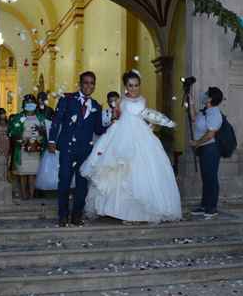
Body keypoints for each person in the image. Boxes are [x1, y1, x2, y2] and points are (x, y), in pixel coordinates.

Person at [80, 70, 181, 223]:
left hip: (141, 136)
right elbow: (116, 117)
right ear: (125, 86)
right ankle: (117, 210)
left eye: (136, 85)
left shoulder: (143, 100)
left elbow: (145, 116)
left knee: (141, 172)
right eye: (130, 85)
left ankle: (138, 212)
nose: (133, 88)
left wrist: (152, 125)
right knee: (119, 170)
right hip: (121, 136)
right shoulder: (120, 101)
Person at [48, 72, 106, 226]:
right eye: (86, 83)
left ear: (94, 85)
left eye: (92, 83)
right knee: (64, 181)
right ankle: (62, 216)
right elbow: (57, 120)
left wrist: (114, 123)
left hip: (86, 150)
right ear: (80, 84)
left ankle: (77, 215)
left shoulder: (96, 106)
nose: (89, 86)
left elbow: (99, 130)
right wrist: (52, 139)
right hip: (67, 147)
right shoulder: (67, 99)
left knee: (82, 185)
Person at [189, 87, 224, 218]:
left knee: (211, 178)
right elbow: (194, 119)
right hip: (204, 148)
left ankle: (212, 207)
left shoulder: (214, 113)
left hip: (211, 148)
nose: (203, 95)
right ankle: (204, 205)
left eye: (206, 94)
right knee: (206, 177)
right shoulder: (206, 111)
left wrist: (196, 143)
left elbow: (210, 134)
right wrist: (191, 102)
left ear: (210, 98)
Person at [8, 95, 49, 200]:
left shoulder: (40, 117)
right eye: (28, 102)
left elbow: (46, 133)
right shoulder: (19, 117)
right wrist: (20, 139)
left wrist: (41, 138)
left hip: (36, 148)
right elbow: (11, 132)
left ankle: (31, 194)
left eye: (32, 102)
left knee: (33, 173)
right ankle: (24, 195)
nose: (30, 104)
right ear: (24, 104)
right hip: (22, 148)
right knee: (23, 173)